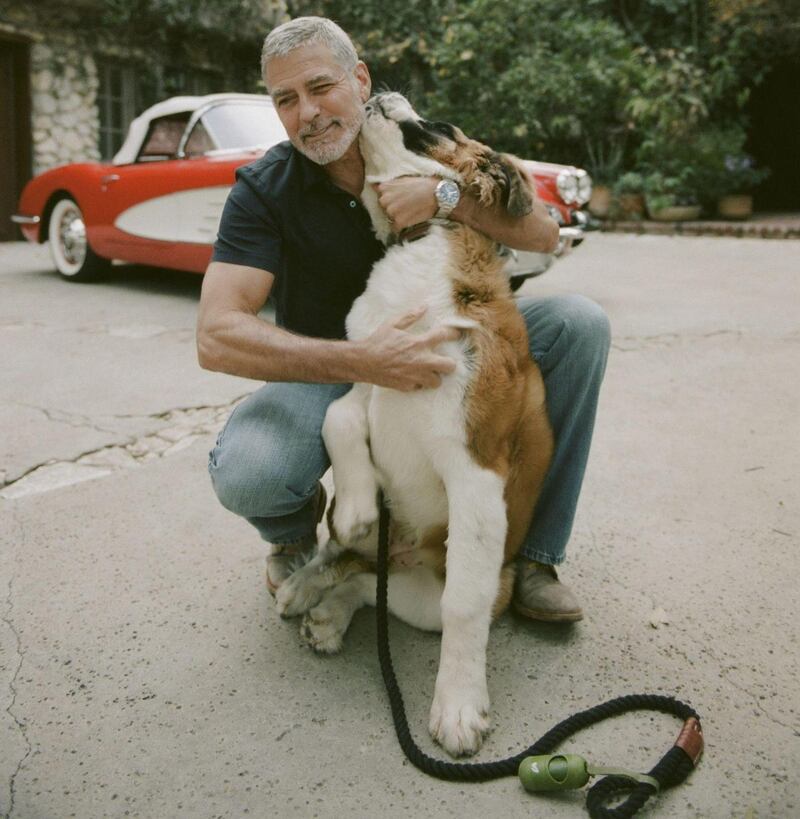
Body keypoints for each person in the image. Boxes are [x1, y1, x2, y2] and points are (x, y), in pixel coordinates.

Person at [196, 16, 610, 623]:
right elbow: (216, 334)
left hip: (448, 338)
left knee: (578, 322)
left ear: (359, 79)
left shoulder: (414, 139)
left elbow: (544, 232)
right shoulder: (265, 188)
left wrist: (444, 197)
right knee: (251, 470)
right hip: (332, 367)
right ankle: (295, 536)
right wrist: (362, 361)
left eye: (320, 87)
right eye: (286, 99)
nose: (307, 112)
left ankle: (533, 557)